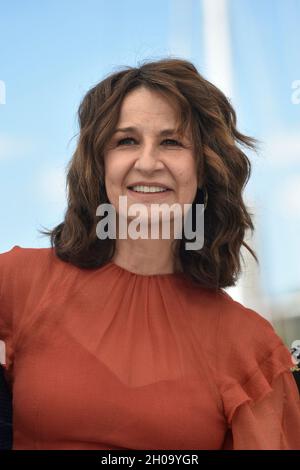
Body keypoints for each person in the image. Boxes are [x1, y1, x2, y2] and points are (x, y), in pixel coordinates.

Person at [0, 58, 300, 450]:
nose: (147, 163)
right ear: (99, 164)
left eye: (171, 142)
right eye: (126, 141)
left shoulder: (249, 346)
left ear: (204, 169)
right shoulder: (18, 283)